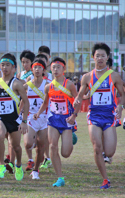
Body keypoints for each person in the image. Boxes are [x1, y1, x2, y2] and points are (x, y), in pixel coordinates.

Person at [74, 43, 124, 189]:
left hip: (109, 116)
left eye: (103, 55)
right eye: (97, 56)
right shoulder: (87, 77)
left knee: (109, 151)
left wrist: (120, 106)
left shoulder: (114, 75)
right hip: (94, 115)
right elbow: (80, 95)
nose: (100, 58)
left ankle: (106, 153)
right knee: (97, 147)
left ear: (107, 57)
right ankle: (105, 179)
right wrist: (77, 100)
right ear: (93, 57)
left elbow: (122, 94)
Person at [34, 57, 80, 187]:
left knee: (65, 153)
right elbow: (45, 103)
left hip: (66, 120)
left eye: (58, 67)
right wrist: (38, 113)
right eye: (53, 67)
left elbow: (77, 101)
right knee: (53, 146)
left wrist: (74, 116)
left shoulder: (69, 84)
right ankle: (60, 178)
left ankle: (71, 136)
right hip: (53, 120)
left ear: (63, 69)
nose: (55, 70)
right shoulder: (48, 86)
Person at [0, 53, 29, 181]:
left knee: (16, 147)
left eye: (8, 65)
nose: (5, 67)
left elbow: (26, 102)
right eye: (2, 65)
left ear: (14, 68)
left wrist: (24, 121)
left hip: (14, 118)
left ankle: (18, 165)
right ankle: (1, 165)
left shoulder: (17, 84)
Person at [23, 59, 50, 179]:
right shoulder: (27, 85)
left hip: (44, 118)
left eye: (40, 67)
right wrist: (19, 115)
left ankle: (35, 170)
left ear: (43, 70)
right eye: (35, 67)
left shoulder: (48, 84)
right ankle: (32, 141)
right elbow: (22, 101)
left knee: (41, 147)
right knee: (28, 143)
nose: (37, 70)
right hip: (30, 117)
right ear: (32, 70)